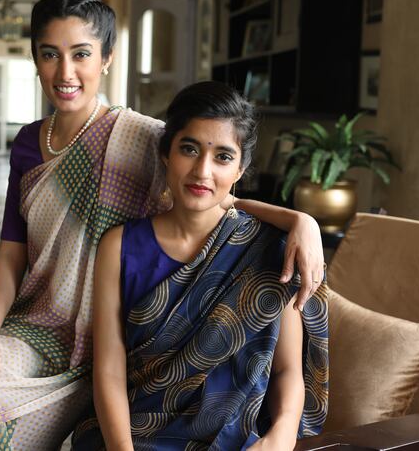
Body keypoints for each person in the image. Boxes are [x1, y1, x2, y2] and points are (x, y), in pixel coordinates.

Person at [0, 0, 326, 450]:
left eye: (81, 54)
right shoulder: (27, 144)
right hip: (39, 329)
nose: (66, 73)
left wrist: (300, 220)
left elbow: (214, 194)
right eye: (50, 55)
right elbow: (11, 251)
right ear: (36, 60)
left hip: (124, 344)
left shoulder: (145, 137)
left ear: (106, 58)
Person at [72, 82, 328, 450]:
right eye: (189, 149)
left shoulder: (268, 249)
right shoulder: (120, 246)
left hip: (230, 439)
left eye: (223, 157)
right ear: (166, 153)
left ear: (241, 169)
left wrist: (282, 434)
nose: (202, 171)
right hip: (129, 435)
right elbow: (108, 372)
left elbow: (287, 370)